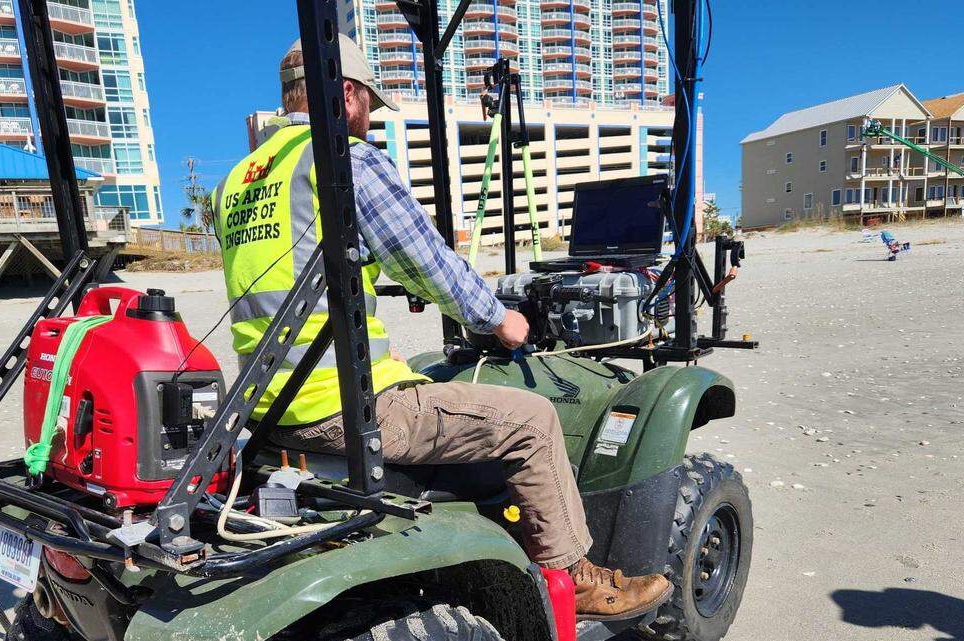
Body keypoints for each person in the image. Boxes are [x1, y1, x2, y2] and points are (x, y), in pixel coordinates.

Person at [209, 35, 672, 620]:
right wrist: (499, 318)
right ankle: (575, 576)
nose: (370, 121)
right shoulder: (342, 159)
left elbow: (301, 274)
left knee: (430, 378)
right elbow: (426, 261)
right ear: (346, 95)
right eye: (369, 107)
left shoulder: (237, 182)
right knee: (534, 421)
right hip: (342, 406)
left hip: (271, 406)